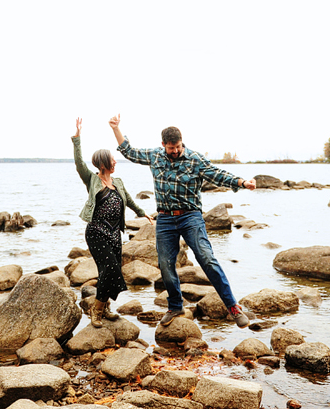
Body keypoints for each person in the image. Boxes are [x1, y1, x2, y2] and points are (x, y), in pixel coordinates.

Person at [109, 114, 256, 328]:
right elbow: (130, 152)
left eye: (177, 146)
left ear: (181, 142)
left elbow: (217, 175)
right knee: (166, 265)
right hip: (166, 220)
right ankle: (175, 306)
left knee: (206, 258)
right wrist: (116, 129)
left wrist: (243, 182)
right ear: (163, 145)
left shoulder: (194, 159)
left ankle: (232, 306)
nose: (175, 151)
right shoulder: (155, 156)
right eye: (171, 148)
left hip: (191, 217)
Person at [72, 117, 153, 327]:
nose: (116, 162)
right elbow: (79, 163)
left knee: (106, 273)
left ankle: (104, 307)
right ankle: (96, 311)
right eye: (112, 159)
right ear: (102, 163)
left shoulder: (118, 182)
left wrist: (143, 213)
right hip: (97, 232)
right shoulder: (92, 180)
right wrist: (77, 139)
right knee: (110, 270)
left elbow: (129, 200)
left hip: (115, 233)